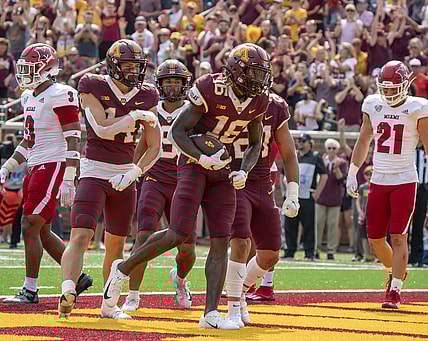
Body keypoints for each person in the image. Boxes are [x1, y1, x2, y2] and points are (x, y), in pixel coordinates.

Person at [101, 43, 272, 329]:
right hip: (193, 164)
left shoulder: (258, 100)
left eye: (260, 73)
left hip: (224, 169)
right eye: (253, 73)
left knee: (220, 240)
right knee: (178, 233)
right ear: (237, 72)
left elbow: (256, 143)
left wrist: (244, 170)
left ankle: (210, 314)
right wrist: (200, 157)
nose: (258, 79)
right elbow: (179, 131)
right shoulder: (209, 87)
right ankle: (123, 270)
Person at [59, 39, 161, 319]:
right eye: (127, 65)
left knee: (116, 243)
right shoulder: (93, 84)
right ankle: (68, 289)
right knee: (80, 233)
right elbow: (101, 129)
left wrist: (135, 172)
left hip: (124, 173)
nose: (133, 71)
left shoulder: (147, 95)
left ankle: (109, 305)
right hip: (94, 169)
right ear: (114, 66)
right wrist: (133, 118)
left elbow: (155, 145)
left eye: (136, 66)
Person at [1, 43, 92, 304]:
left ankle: (30, 290)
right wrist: (8, 166)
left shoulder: (61, 93)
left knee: (30, 225)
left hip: (53, 165)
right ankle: (78, 277)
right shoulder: (30, 97)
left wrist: (68, 177)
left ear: (46, 69)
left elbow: (74, 138)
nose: (24, 74)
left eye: (30, 68)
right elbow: (28, 141)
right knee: (41, 230)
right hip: (36, 165)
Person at [346, 60, 428, 309]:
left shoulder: (418, 107)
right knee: (375, 240)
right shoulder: (372, 103)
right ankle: (398, 272)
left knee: (399, 237)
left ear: (405, 85)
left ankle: (394, 290)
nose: (389, 92)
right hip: (378, 179)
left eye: (394, 87)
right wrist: (353, 172)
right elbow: (363, 140)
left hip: (404, 179)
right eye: (386, 87)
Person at [121, 59, 196, 312]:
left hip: (186, 178)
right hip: (155, 176)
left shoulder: (195, 110)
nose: (173, 87)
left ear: (185, 85)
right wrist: (131, 172)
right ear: (160, 85)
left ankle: (181, 280)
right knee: (143, 235)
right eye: (168, 82)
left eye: (177, 82)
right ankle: (132, 295)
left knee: (186, 246)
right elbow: (143, 145)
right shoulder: (151, 111)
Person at [225, 92, 300, 326]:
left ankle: (242, 290)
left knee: (270, 254)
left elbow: (288, 152)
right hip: (233, 178)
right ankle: (233, 306)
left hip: (262, 181)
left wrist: (293, 192)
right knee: (240, 243)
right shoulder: (222, 97)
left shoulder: (275, 105)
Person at [283, 133, 328, 260]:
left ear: (310, 143)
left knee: (308, 225)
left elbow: (324, 175)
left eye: (303, 141)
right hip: (292, 196)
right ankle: (290, 251)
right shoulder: (294, 156)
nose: (300, 143)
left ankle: (309, 252)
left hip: (307, 196)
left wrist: (317, 192)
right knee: (290, 224)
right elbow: (283, 174)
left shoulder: (315, 157)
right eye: (299, 141)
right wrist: (284, 190)